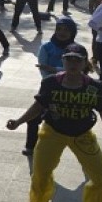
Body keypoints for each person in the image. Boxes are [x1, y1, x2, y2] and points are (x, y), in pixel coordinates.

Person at [6, 43, 102, 202]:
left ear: (84, 63)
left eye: (77, 60)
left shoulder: (95, 87)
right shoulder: (50, 83)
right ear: (62, 61)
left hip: (82, 135)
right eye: (68, 59)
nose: (72, 63)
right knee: (40, 173)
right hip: (52, 133)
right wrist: (18, 121)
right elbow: (38, 107)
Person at [21, 16, 78, 156]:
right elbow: (43, 69)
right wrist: (61, 71)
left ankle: (80, 148)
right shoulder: (46, 47)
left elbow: (78, 70)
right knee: (33, 117)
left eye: (66, 30)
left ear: (72, 32)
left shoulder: (76, 49)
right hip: (49, 88)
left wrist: (55, 69)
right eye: (59, 29)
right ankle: (30, 146)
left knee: (74, 120)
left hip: (70, 89)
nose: (62, 32)